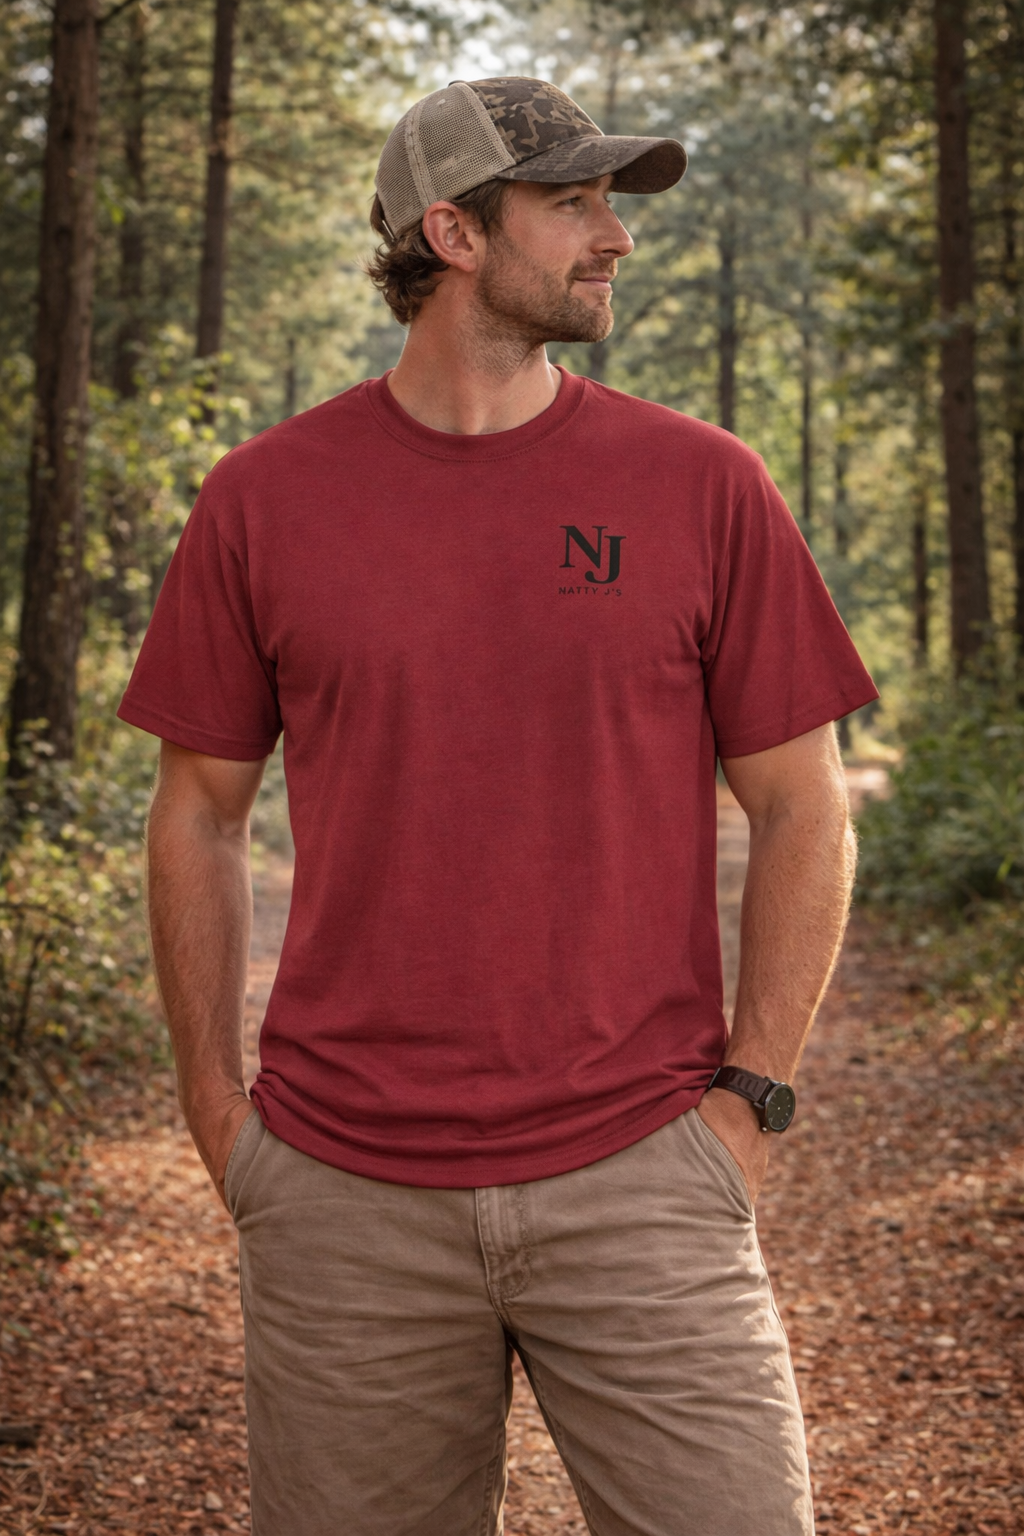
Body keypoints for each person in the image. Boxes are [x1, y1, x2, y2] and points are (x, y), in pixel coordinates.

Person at [119, 76, 878, 1536]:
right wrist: (219, 1112)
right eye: (576, 203)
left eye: (613, 202)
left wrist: (753, 1098)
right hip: (344, 1203)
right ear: (453, 235)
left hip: (645, 1177)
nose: (616, 237)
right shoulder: (264, 501)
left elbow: (802, 806)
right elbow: (200, 813)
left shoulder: (702, 486)